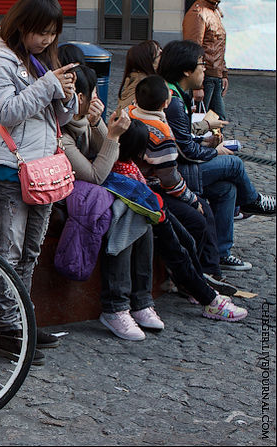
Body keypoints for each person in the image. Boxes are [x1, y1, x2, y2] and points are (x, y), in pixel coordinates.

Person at [0, 0, 78, 366]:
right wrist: (49, 85)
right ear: (21, 25)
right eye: (41, 31)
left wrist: (67, 99)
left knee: (30, 253)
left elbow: (56, 120)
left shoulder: (39, 63)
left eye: (53, 33)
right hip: (7, 170)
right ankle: (8, 333)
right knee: (8, 252)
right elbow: (6, 112)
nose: (47, 40)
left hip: (42, 170)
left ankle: (23, 322)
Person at [60, 66, 161, 340]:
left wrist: (98, 124)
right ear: (77, 97)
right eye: (91, 93)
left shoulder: (82, 121)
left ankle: (141, 301)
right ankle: (115, 307)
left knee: (141, 210)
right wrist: (113, 136)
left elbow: (106, 154)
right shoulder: (62, 133)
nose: (96, 98)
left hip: (91, 190)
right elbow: (96, 173)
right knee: (122, 212)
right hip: (66, 194)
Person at [157, 40, 275, 271]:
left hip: (180, 168)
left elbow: (184, 139)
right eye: (201, 64)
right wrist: (213, 149)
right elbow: (186, 151)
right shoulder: (173, 100)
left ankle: (221, 252)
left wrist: (205, 139)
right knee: (233, 163)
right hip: (173, 174)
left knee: (226, 189)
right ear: (186, 70)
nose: (205, 69)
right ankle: (251, 201)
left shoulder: (176, 94)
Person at [114, 118, 247, 322]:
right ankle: (208, 298)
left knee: (187, 242)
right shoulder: (125, 172)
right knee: (178, 252)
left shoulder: (129, 166)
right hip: (152, 213)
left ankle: (202, 287)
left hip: (155, 210)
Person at [127, 75, 226, 283]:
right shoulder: (161, 134)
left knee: (204, 209)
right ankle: (187, 277)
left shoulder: (129, 112)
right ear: (165, 103)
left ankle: (207, 269)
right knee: (198, 218)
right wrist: (191, 200)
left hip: (138, 184)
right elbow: (169, 179)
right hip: (149, 189)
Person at [182, 0, 229, 119]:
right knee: (200, 125)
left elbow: (218, 46)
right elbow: (193, 50)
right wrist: (197, 86)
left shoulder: (213, 11)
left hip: (214, 77)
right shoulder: (198, 13)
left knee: (217, 123)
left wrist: (223, 74)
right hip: (204, 78)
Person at [117, 39, 161, 111]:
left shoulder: (136, 78)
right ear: (148, 63)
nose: (163, 54)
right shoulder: (144, 86)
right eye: (159, 54)